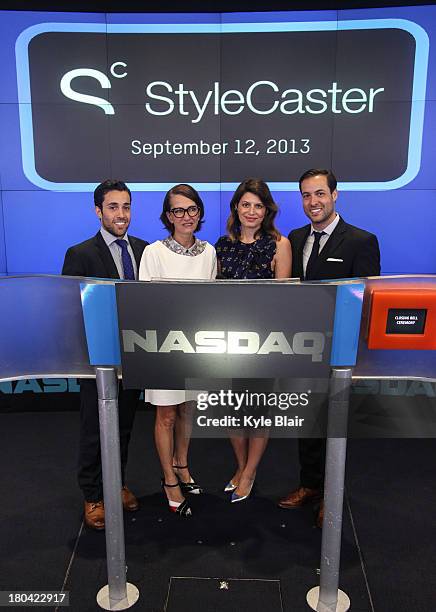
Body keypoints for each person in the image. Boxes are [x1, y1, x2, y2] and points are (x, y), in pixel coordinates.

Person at [278, 168, 380, 527]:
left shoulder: (361, 241)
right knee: (307, 422)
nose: (313, 202)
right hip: (303, 349)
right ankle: (309, 486)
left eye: (320, 194)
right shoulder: (294, 237)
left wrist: (358, 356)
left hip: (340, 352)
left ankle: (331, 496)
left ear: (335, 195)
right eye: (306, 195)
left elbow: (367, 303)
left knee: (333, 426)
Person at [62, 179, 148, 530]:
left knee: (124, 427)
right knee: (94, 429)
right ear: (98, 211)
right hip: (95, 362)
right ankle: (93, 495)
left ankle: (116, 482)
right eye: (113, 207)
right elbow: (69, 310)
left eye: (126, 206)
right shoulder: (80, 253)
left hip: (133, 357)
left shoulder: (145, 250)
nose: (121, 214)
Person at [138, 184, 217, 517]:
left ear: (199, 212)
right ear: (167, 216)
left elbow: (212, 302)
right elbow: (145, 304)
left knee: (188, 409)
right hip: (163, 346)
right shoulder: (153, 252)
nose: (186, 216)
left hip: (196, 345)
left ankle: (182, 465)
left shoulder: (209, 251)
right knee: (166, 414)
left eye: (192, 209)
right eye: (178, 211)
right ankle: (169, 479)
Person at [215, 178, 292, 502]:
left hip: (264, 342)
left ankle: (250, 472)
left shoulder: (279, 244)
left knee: (258, 410)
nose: (251, 211)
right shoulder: (222, 244)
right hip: (228, 340)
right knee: (234, 410)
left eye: (258, 205)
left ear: (267, 210)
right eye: (245, 204)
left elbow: (284, 298)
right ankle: (241, 465)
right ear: (236, 207)